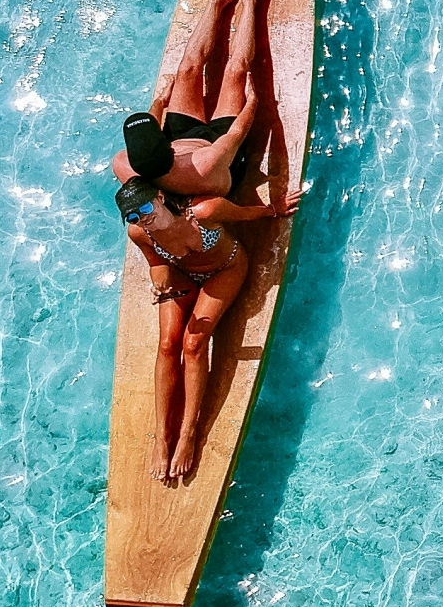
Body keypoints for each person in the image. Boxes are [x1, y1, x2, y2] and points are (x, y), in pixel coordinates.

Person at [116, 176, 303, 482]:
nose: (143, 217)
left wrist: (273, 209)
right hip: (183, 276)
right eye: (134, 215)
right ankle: (162, 438)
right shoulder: (140, 232)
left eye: (145, 206)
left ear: (160, 196)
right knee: (167, 345)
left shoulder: (205, 212)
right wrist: (158, 277)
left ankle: (188, 431)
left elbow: (244, 214)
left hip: (225, 268)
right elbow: (155, 262)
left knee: (193, 344)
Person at [112, 0, 276, 200]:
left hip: (182, 137)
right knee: (236, 71)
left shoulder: (125, 163)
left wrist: (161, 98)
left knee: (187, 68)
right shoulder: (206, 165)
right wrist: (253, 100)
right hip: (220, 148)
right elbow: (237, 132)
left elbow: (150, 125)